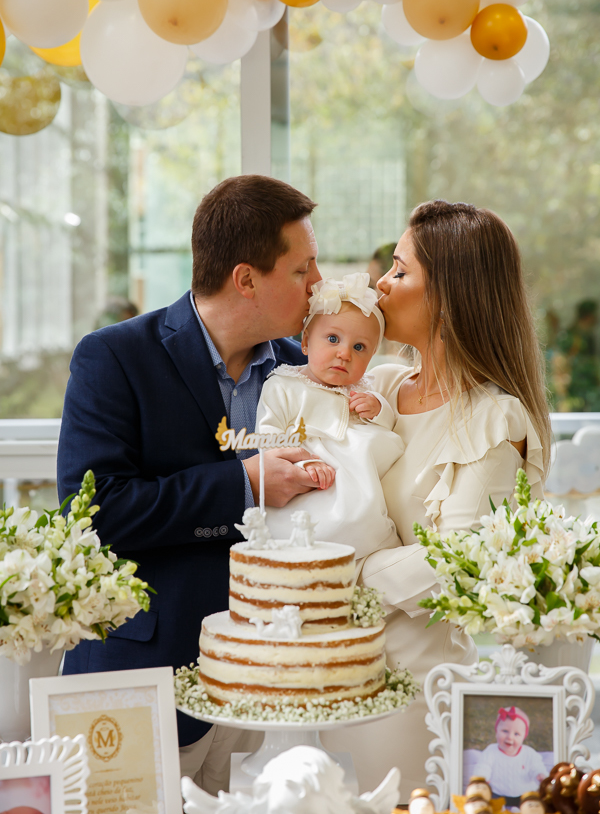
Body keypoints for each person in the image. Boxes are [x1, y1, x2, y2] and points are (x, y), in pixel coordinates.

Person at [56, 174, 324, 792]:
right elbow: (95, 514)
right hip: (141, 674)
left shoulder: (301, 372)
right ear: (247, 279)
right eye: (302, 269)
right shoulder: (113, 357)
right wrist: (244, 485)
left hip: (267, 689)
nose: (317, 284)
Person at [323, 200, 550, 800]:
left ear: (447, 295)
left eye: (400, 271)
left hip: (415, 687)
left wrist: (340, 571)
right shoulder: (386, 384)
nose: (381, 284)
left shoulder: (493, 419)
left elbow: (458, 563)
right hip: (341, 666)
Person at [257, 272, 405, 558]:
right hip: (311, 477)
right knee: (320, 522)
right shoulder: (284, 384)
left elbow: (391, 426)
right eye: (333, 339)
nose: (345, 354)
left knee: (365, 512)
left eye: (359, 347)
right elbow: (269, 436)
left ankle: (372, 545)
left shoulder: (365, 388)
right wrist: (306, 462)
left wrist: (378, 409)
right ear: (306, 343)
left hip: (358, 476)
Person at [477, 707, 548, 808]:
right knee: (488, 805)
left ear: (524, 736)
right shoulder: (491, 752)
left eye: (516, 734)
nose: (510, 737)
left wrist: (540, 775)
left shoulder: (529, 754)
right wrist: (481, 778)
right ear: (496, 731)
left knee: (534, 804)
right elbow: (483, 766)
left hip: (525, 794)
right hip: (497, 793)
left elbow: (537, 767)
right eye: (505, 731)